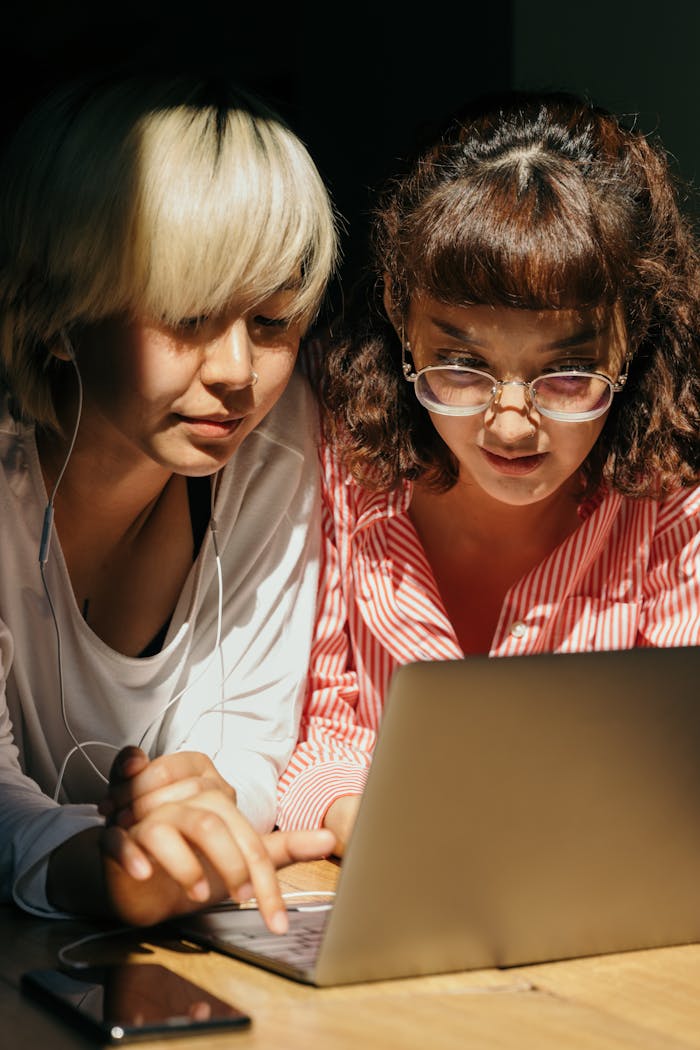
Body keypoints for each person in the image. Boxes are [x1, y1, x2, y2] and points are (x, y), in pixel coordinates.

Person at [276, 89, 700, 851]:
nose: (509, 422)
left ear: (632, 342)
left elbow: (677, 768)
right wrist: (362, 816)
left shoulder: (672, 508)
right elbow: (318, 722)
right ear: (400, 314)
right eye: (462, 366)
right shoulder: (329, 448)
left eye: (567, 375)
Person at [0, 66, 339, 929]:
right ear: (57, 315)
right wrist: (114, 871)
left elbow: (248, 747)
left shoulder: (277, 430)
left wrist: (207, 811)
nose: (236, 373)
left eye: (272, 321)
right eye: (188, 316)